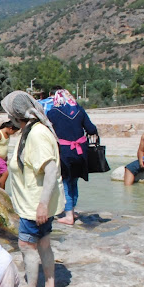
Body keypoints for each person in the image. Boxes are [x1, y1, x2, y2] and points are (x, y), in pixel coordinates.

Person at [1, 91, 65, 287]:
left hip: (35, 205)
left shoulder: (36, 134)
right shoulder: (32, 130)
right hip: (35, 203)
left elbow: (50, 170)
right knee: (44, 243)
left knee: (27, 246)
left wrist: (43, 205)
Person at [47, 89, 98, 225]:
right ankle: (73, 211)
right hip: (81, 152)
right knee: (74, 182)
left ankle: (69, 215)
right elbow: (92, 129)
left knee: (65, 183)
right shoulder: (79, 110)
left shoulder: (53, 113)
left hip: (65, 152)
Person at [0, 121, 19, 190]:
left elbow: (3, 146)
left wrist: (5, 156)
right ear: (10, 128)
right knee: (5, 174)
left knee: (2, 176)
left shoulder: (7, 134)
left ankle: (1, 191)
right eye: (14, 132)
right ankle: (1, 191)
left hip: (2, 159)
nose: (14, 133)